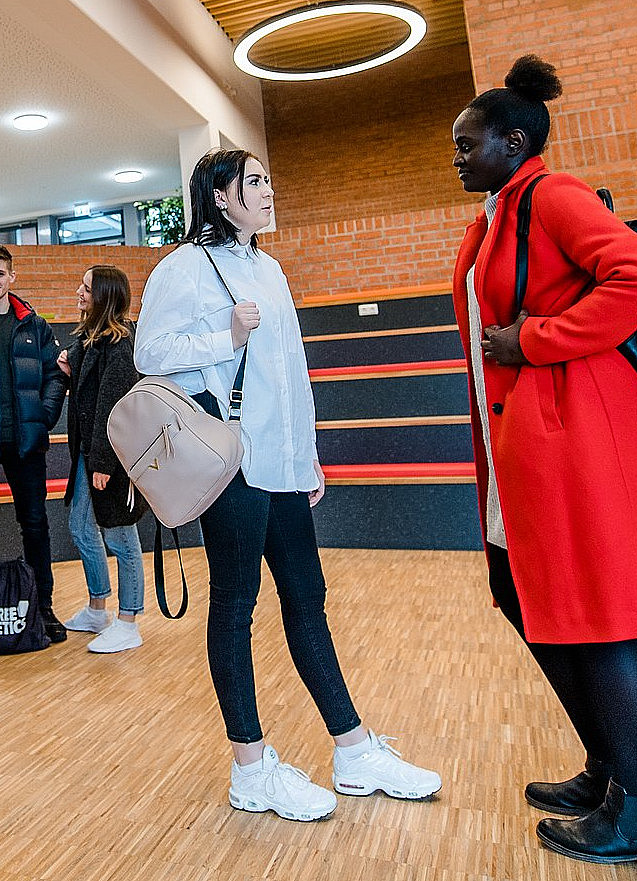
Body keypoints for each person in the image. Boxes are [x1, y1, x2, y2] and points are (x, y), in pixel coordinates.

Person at [134, 148, 441, 821]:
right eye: (254, 182)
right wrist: (224, 333)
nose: (268, 190)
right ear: (220, 196)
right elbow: (149, 354)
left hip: (283, 465)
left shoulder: (269, 268)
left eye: (268, 179)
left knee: (308, 599)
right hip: (232, 466)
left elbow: (291, 376)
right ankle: (250, 767)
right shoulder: (183, 268)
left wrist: (309, 458)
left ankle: (353, 750)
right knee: (235, 606)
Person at [450, 56, 637, 871]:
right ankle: (612, 771)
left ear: (514, 142)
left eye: (468, 144)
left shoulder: (554, 196)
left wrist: (535, 339)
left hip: (576, 441)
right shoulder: (496, 214)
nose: (456, 157)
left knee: (599, 615)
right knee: (528, 598)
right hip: (520, 448)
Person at [59, 266, 147, 653]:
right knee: (81, 527)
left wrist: (104, 464)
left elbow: (113, 408)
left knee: (120, 535)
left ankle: (128, 621)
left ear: (104, 297)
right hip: (88, 451)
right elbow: (89, 394)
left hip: (111, 456)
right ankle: (98, 609)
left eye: (86, 288)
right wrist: (70, 368)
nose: (79, 292)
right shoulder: (87, 339)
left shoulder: (121, 342)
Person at [0, 245, 67, 643]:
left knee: (35, 525)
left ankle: (42, 608)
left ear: (11, 277)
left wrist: (44, 415)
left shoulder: (33, 325)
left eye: (0, 273)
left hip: (24, 442)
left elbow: (56, 374)